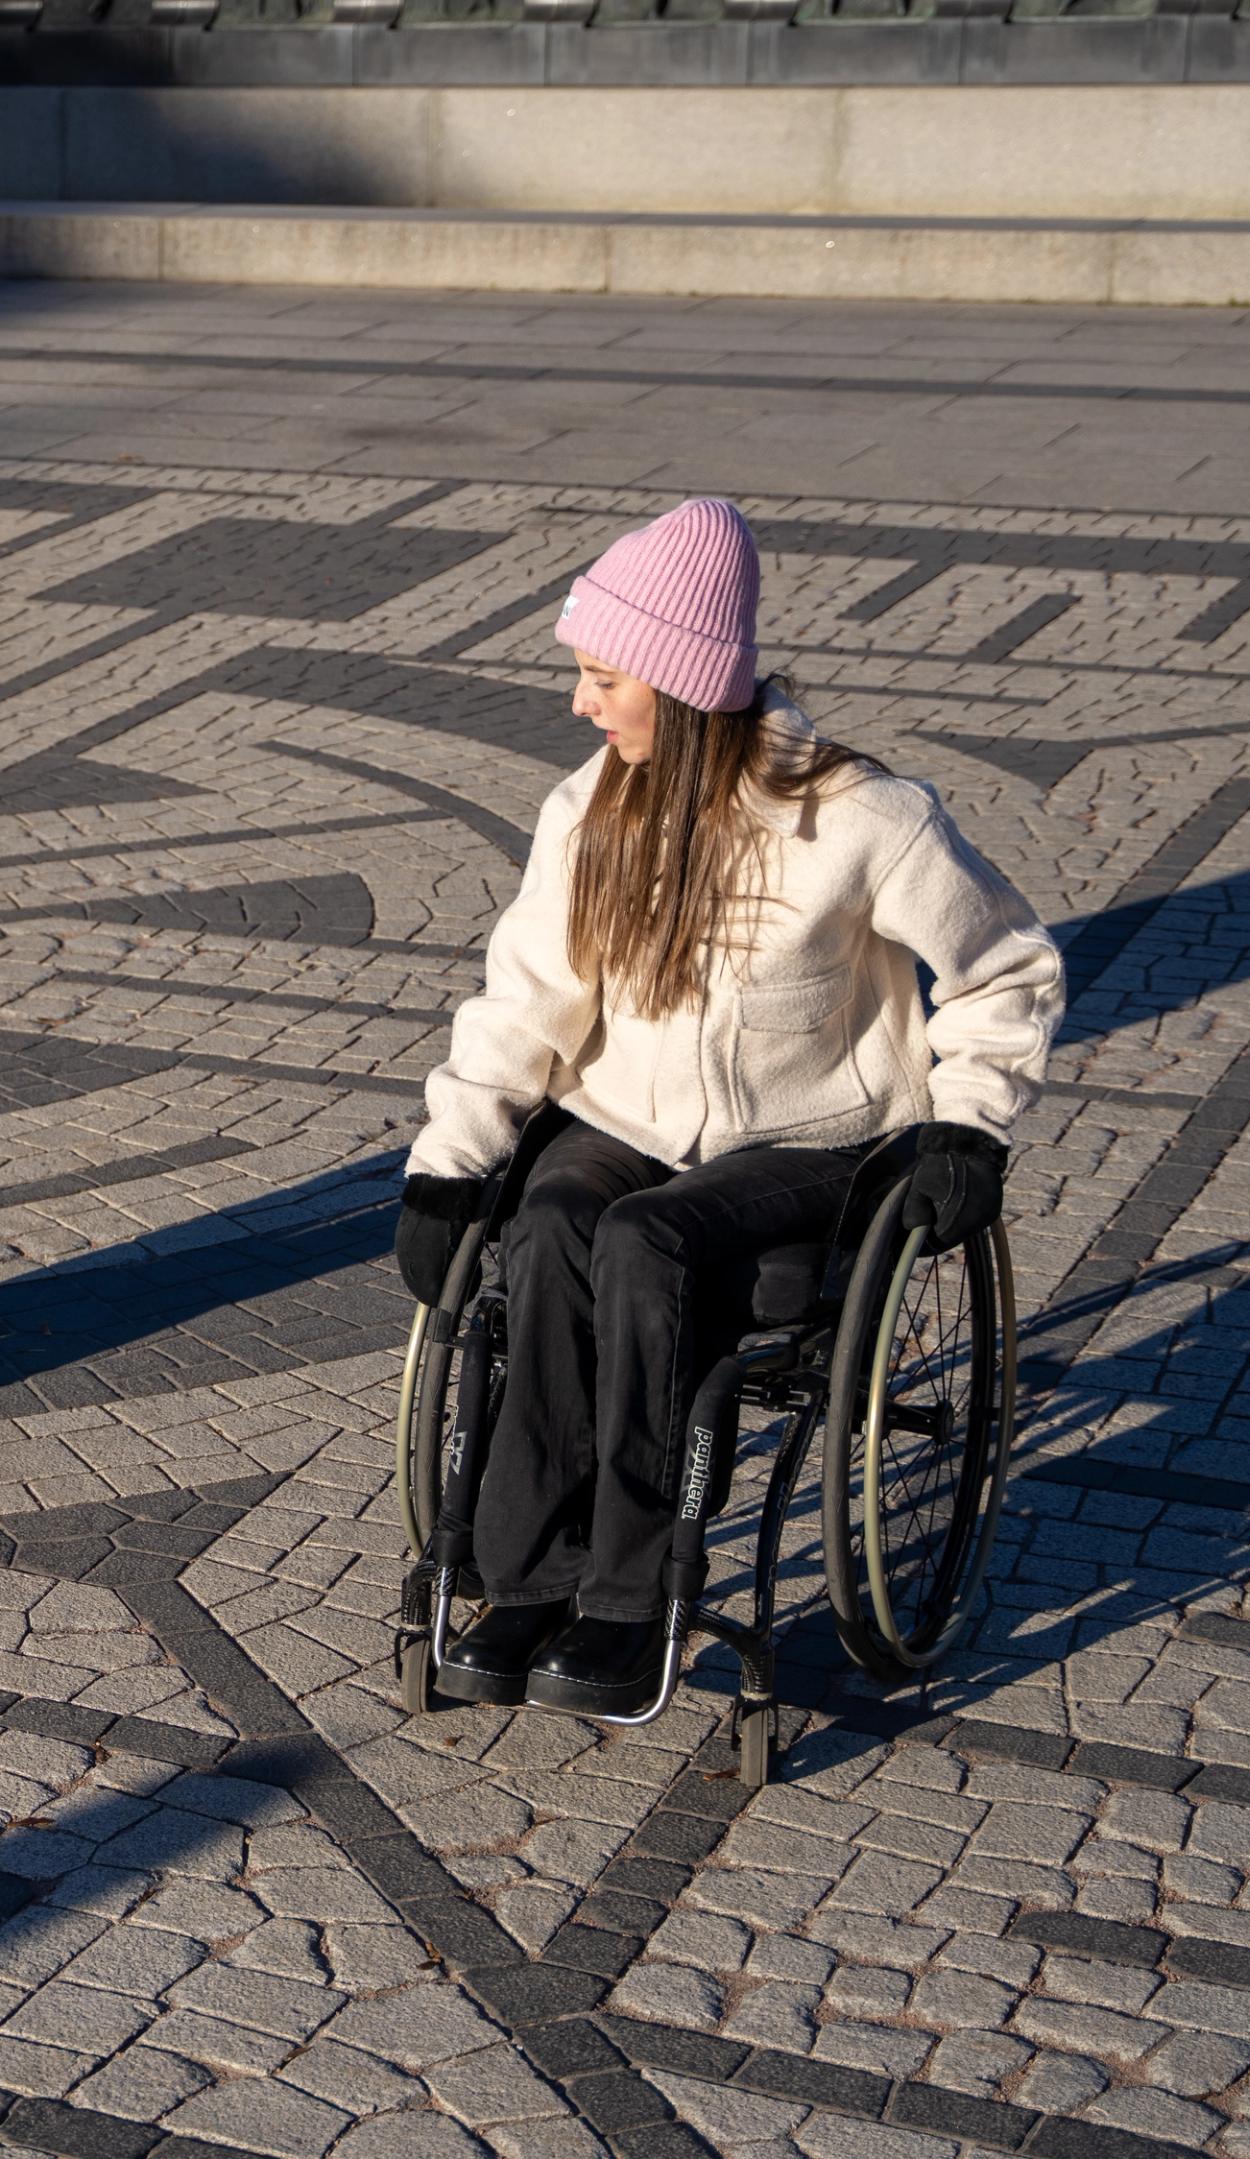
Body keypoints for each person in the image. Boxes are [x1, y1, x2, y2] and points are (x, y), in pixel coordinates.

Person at [392, 498, 1064, 1718]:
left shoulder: (862, 818)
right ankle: (524, 1573)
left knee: (651, 1241)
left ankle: (629, 1595)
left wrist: (970, 1119)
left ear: (682, 683)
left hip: (817, 1137)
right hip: (628, 1120)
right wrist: (451, 1160)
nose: (580, 704)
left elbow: (1007, 965)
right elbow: (527, 999)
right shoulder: (590, 809)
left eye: (603, 677)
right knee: (544, 1225)